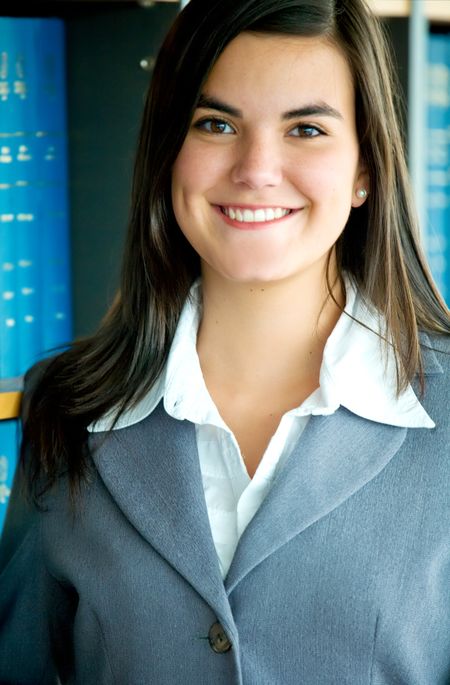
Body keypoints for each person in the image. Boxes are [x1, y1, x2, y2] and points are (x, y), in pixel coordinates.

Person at [0, 0, 449, 682]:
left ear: (365, 170)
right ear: (167, 155)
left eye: (305, 128)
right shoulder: (63, 406)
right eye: (216, 124)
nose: (256, 168)